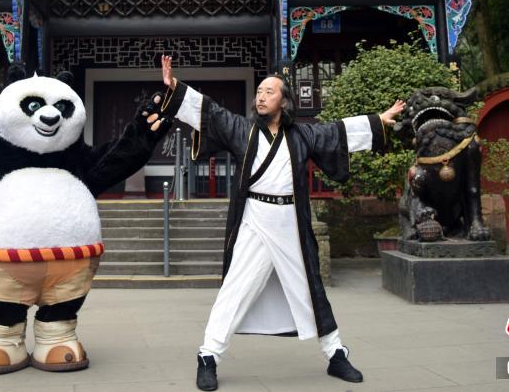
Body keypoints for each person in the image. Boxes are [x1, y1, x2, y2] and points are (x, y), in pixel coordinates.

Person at [158, 55, 404, 390]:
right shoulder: (241, 130)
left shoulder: (302, 135)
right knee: (236, 288)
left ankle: (336, 354)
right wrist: (175, 87)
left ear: (283, 101)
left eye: (269, 92)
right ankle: (208, 356)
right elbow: (210, 112)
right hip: (255, 220)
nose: (260, 96)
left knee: (309, 288)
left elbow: (336, 132)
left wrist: (378, 121)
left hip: (290, 222)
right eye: (259, 91)